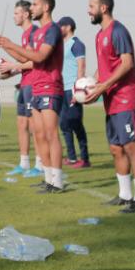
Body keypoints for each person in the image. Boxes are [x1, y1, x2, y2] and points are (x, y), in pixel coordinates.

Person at [0, 0, 64, 192]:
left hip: (50, 86)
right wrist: (11, 59)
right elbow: (28, 59)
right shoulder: (39, 32)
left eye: (35, 4)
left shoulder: (52, 30)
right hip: (37, 88)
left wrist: (10, 46)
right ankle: (48, 178)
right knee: (39, 134)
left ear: (46, 7)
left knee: (51, 134)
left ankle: (57, 181)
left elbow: (39, 57)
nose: (32, 8)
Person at [82, 0, 135, 213]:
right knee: (115, 149)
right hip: (112, 102)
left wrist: (103, 86)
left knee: (131, 148)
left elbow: (127, 64)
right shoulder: (100, 35)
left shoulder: (118, 31)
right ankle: (125, 195)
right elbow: (103, 67)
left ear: (104, 8)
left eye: (91, 6)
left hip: (127, 99)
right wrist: (90, 87)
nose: (88, 10)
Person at [0, 0, 40, 177]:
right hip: (24, 85)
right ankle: (23, 163)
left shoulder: (34, 33)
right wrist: (11, 70)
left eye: (16, 13)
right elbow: (23, 61)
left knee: (33, 126)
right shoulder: (24, 35)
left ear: (26, 14)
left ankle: (40, 164)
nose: (14, 16)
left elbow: (35, 61)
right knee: (21, 124)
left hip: (33, 85)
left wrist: (11, 64)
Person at [58, 16, 90, 168]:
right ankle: (72, 158)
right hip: (61, 90)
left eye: (60, 26)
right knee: (64, 124)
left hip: (72, 90)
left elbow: (81, 67)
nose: (58, 29)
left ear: (68, 27)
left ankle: (85, 159)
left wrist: (78, 91)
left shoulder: (76, 44)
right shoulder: (61, 45)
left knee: (76, 124)